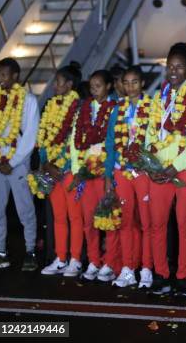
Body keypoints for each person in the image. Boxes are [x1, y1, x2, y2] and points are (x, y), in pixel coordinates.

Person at [147, 42, 186, 297]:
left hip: (185, 169)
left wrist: (175, 167)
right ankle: (161, 275)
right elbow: (151, 132)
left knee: (184, 224)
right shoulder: (159, 95)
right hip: (159, 170)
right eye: (170, 66)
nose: (173, 71)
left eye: (179, 67)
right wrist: (151, 160)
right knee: (157, 225)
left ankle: (183, 277)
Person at [104, 66, 153, 288]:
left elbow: (156, 140)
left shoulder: (152, 107)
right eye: (127, 82)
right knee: (125, 221)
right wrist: (108, 175)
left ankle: (147, 268)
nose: (131, 86)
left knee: (146, 222)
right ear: (121, 85)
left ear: (142, 84)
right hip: (121, 170)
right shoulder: (117, 109)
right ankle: (127, 267)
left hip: (143, 172)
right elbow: (110, 142)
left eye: (135, 82)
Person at [0, 58, 40, 271]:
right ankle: (0, 252)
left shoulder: (28, 100)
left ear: (15, 76)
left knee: (25, 210)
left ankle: (30, 251)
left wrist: (11, 162)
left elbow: (30, 137)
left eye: (4, 75)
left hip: (18, 164)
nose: (0, 79)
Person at [70, 69, 117, 281]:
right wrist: (78, 169)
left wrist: (107, 169)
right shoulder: (84, 109)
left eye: (99, 85)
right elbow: (75, 140)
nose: (94, 89)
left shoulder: (115, 108)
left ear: (108, 86)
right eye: (92, 86)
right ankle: (93, 261)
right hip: (86, 172)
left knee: (107, 217)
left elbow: (115, 141)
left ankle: (109, 262)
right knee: (89, 220)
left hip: (106, 171)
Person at [38, 62, 84, 277]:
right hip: (52, 171)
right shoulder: (49, 105)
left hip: (69, 172)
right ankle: (60, 258)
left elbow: (77, 142)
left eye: (58, 82)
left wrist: (62, 167)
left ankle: (75, 260)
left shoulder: (79, 107)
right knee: (58, 217)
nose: (54, 86)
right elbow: (43, 139)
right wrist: (46, 164)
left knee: (75, 217)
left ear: (69, 84)